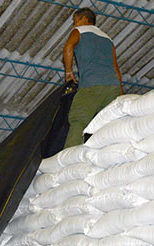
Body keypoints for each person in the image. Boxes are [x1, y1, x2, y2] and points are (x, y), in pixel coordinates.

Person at [63, 7, 123, 148]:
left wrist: (69, 72)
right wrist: (120, 92)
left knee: (78, 121)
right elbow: (115, 66)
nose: (75, 24)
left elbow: (68, 48)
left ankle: (71, 158)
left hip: (91, 86)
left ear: (85, 19)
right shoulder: (108, 39)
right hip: (112, 87)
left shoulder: (79, 31)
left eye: (76, 20)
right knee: (110, 124)